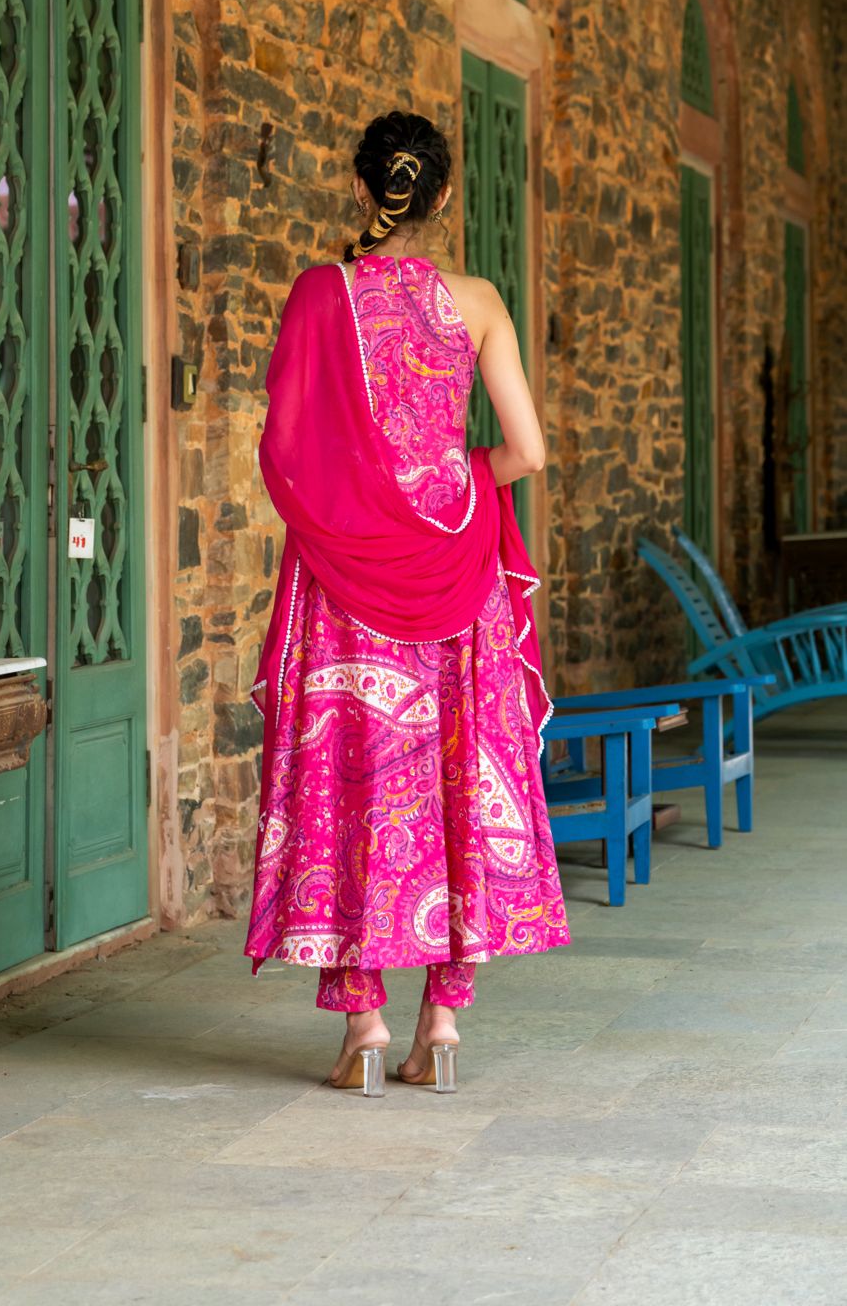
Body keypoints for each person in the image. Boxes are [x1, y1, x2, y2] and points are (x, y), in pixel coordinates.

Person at [245, 109, 569, 1094]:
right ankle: (444, 1016)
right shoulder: (475, 300)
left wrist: (357, 500)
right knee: (456, 773)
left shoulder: (316, 293)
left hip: (344, 578)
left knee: (351, 776)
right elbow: (527, 452)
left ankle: (364, 1024)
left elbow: (286, 455)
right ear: (443, 195)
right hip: (458, 563)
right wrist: (450, 473)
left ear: (363, 191)